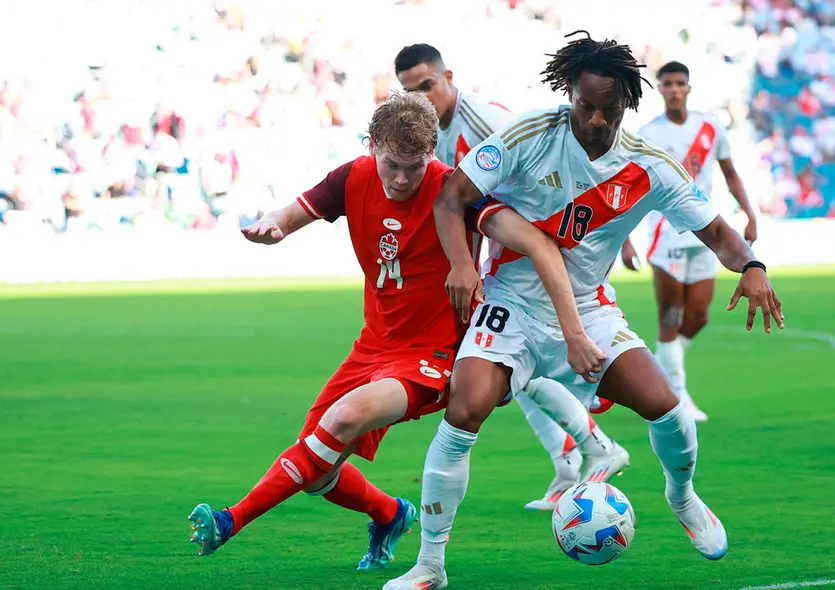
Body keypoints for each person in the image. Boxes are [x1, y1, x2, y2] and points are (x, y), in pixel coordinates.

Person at [385, 32, 783, 589]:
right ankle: (429, 565)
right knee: (463, 412)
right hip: (511, 305)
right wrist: (461, 265)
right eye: (586, 105)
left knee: (667, 408)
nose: (596, 119)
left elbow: (717, 231)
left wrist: (753, 267)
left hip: (591, 309)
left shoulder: (651, 166)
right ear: (567, 91)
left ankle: (683, 495)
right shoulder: (529, 132)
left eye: (610, 109)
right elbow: (453, 196)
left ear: (628, 104)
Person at [185, 92, 587, 571]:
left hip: (433, 355)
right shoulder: (351, 177)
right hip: (372, 345)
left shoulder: (452, 192)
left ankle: (231, 519)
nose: (401, 179)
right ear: (371, 144)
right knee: (315, 470)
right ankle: (390, 512)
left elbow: (531, 240)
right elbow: (292, 215)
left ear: (431, 156)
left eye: (414, 168)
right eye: (392, 164)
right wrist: (273, 225)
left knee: (342, 419)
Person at [394, 43, 629, 511]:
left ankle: (594, 445)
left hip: (532, 260)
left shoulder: (486, 121)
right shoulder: (430, 130)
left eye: (427, 86)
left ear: (448, 77)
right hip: (498, 256)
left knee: (510, 362)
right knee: (507, 365)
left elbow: (548, 178)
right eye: (409, 92)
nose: (421, 98)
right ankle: (570, 458)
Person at [620, 61, 758, 422]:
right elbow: (628, 187)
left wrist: (749, 213)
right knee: (670, 315)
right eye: (668, 84)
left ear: (689, 88)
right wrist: (625, 240)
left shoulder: (710, 127)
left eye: (680, 83)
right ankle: (677, 397)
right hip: (664, 235)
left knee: (697, 316)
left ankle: (660, 365)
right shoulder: (647, 134)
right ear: (660, 89)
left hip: (704, 233)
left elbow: (730, 174)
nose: (675, 89)